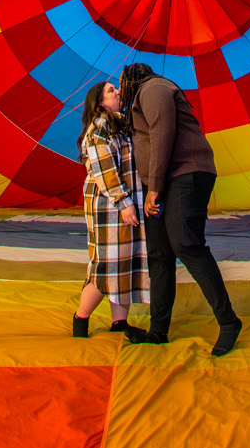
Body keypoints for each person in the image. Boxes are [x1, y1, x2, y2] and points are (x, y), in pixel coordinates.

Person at [121, 61, 242, 356]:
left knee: (187, 245)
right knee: (159, 255)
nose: (120, 88)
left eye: (121, 83)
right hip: (162, 183)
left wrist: (155, 187)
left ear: (132, 79)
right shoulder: (145, 95)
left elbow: (164, 134)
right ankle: (158, 330)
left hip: (185, 176)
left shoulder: (154, 88)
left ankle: (228, 322)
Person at [72, 79, 147, 342]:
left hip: (124, 204)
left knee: (124, 263)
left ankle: (119, 322)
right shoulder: (100, 128)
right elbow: (106, 171)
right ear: (101, 102)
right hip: (109, 206)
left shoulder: (120, 125)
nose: (117, 92)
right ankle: (80, 319)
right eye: (111, 90)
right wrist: (123, 202)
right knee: (107, 265)